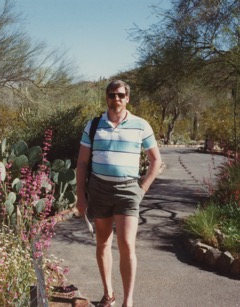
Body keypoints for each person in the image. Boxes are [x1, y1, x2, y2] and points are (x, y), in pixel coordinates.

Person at [76, 80, 162, 307]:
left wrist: (142, 189)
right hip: (99, 188)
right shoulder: (94, 125)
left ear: (128, 98)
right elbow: (82, 163)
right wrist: (80, 197)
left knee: (126, 244)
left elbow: (156, 160)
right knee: (102, 243)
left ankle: (128, 301)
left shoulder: (141, 125)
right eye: (112, 95)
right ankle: (108, 295)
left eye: (121, 95)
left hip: (128, 191)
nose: (117, 99)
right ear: (106, 98)